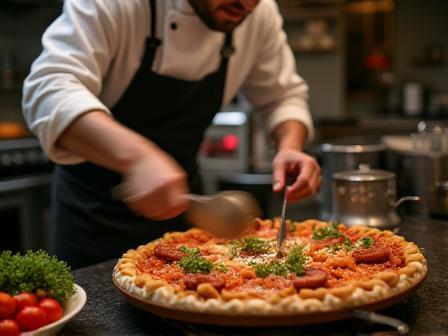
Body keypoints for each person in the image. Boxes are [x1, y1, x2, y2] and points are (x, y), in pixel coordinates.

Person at [22, 0, 321, 269]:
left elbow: (283, 97)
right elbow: (49, 88)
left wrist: (289, 145)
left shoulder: (258, 13)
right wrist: (137, 158)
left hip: (187, 213)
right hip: (93, 217)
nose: (246, 4)